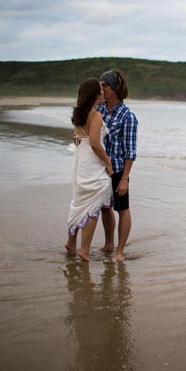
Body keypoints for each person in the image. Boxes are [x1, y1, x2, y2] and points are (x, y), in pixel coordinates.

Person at [65, 78, 114, 262]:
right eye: (101, 90)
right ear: (95, 94)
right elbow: (94, 143)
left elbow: (79, 137)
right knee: (94, 203)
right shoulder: (95, 115)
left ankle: (71, 242)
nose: (104, 92)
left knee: (79, 202)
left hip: (80, 164)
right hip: (92, 165)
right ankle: (84, 250)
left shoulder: (79, 113)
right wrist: (108, 163)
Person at [97, 70, 138, 262]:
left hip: (119, 169)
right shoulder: (99, 109)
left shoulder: (128, 116)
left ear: (115, 88)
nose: (101, 89)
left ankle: (120, 251)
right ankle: (108, 244)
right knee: (105, 207)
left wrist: (124, 179)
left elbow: (130, 151)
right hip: (100, 168)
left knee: (122, 209)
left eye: (105, 86)